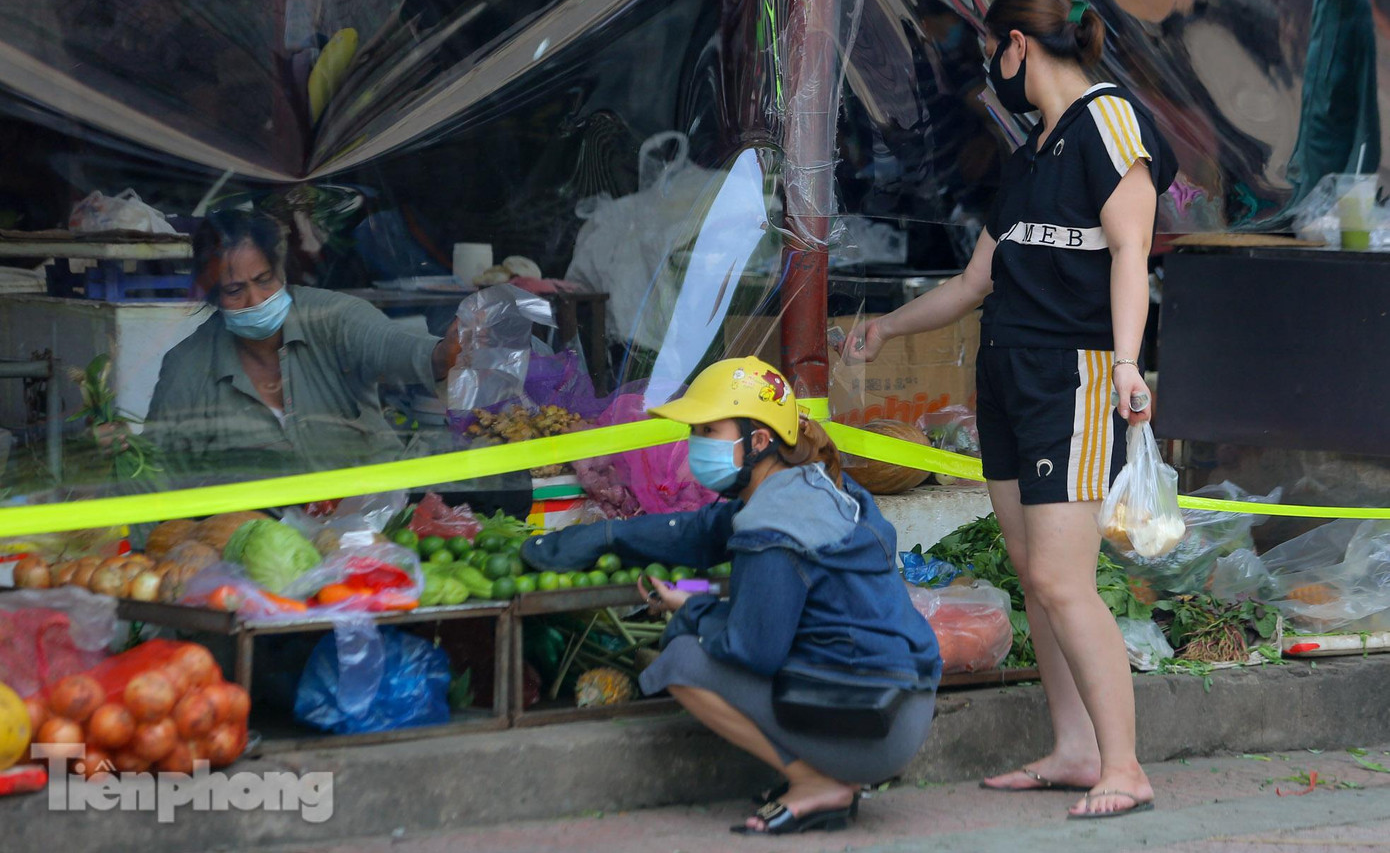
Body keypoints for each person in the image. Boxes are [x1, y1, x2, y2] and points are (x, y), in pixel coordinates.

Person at [846, 0, 1177, 820]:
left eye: (994, 50)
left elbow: (1133, 254)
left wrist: (1131, 364)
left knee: (1066, 581)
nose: (991, 67)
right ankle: (1072, 749)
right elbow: (971, 282)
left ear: (1018, 46)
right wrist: (887, 326)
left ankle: (1124, 765)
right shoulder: (1036, 150)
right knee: (1036, 576)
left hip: (1075, 377)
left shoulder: (1110, 124)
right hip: (1007, 376)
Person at [522, 357, 940, 835]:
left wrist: (693, 607)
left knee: (681, 660)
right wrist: (607, 538)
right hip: (899, 703)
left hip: (872, 723)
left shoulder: (774, 524)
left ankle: (815, 783)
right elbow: (699, 532)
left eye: (708, 430)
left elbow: (753, 650)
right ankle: (828, 775)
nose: (695, 443)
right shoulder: (810, 484)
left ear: (758, 440)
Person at [144, 211, 461, 480]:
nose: (256, 300)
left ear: (282, 271)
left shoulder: (333, 318)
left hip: (369, 525)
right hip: (253, 539)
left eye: (264, 279)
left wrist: (440, 355)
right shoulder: (186, 367)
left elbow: (392, 346)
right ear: (209, 292)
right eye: (235, 290)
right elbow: (157, 472)